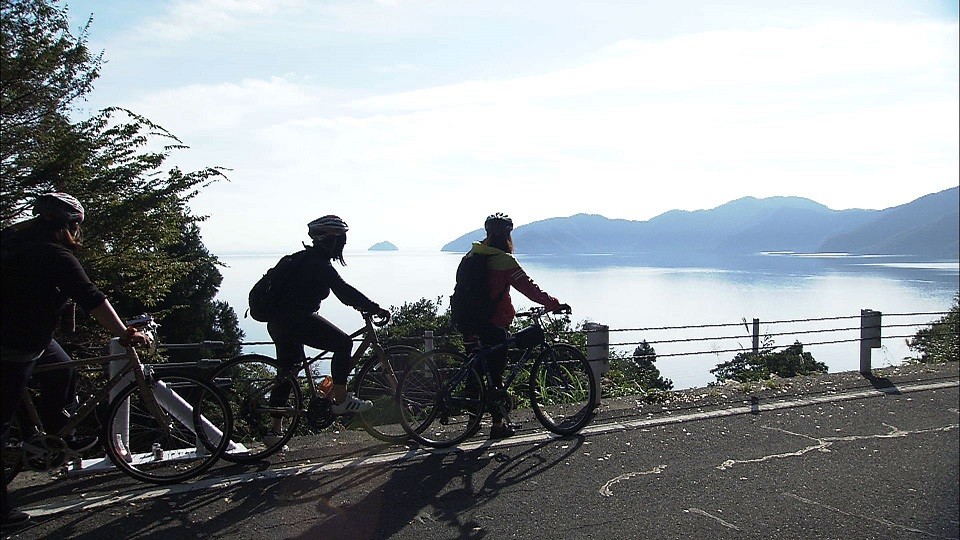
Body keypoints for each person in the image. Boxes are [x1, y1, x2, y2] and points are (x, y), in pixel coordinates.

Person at [1, 193, 151, 530]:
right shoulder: (56, 255)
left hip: (33, 340)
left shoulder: (11, 239)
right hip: (14, 347)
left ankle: (49, 436)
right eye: (76, 226)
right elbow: (92, 299)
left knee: (63, 368)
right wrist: (125, 332)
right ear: (68, 225)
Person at [262, 215, 391, 444]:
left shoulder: (302, 259)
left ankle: (275, 432)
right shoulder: (318, 264)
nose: (343, 244)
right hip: (298, 320)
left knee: (287, 372)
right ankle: (341, 399)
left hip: (278, 322)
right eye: (341, 239)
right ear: (329, 240)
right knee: (343, 344)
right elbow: (343, 291)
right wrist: (373, 308)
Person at [463, 213, 570, 439]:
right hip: (492, 324)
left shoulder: (472, 254)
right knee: (496, 374)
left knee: (475, 370)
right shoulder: (504, 260)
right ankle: (498, 425)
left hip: (468, 321)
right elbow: (529, 288)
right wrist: (554, 304)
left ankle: (472, 422)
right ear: (508, 235)